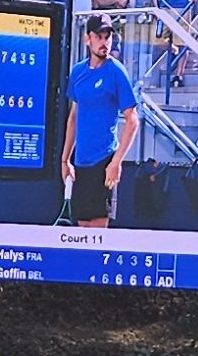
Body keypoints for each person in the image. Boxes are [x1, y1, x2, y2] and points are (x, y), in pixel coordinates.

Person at [58, 12, 139, 229]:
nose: (104, 42)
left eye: (108, 37)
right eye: (99, 37)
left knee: (98, 233)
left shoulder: (116, 72)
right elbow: (73, 117)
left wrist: (116, 162)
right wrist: (65, 160)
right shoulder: (78, 72)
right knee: (82, 229)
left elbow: (133, 120)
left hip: (104, 162)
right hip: (81, 163)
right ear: (88, 39)